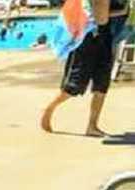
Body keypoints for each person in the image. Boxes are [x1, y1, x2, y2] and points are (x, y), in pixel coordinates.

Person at [40, 0, 124, 136]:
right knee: (74, 85)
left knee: (102, 85)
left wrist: (124, 10)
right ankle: (49, 108)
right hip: (86, 38)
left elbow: (105, 13)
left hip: (104, 34)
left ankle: (92, 126)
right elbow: (95, 11)